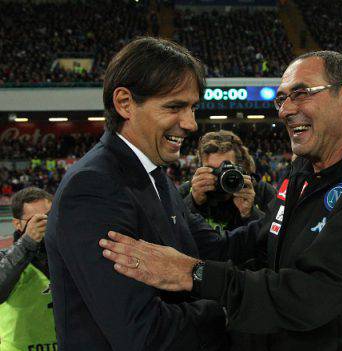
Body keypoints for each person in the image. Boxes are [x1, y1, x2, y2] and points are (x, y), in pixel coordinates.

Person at [100, 50, 342, 350]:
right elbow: (249, 244)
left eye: (301, 93)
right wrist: (169, 200)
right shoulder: (301, 172)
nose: (286, 109)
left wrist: (193, 273)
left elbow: (313, 294)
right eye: (282, 98)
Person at [45, 37, 227, 351]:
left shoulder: (152, 174)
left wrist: (282, 224)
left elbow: (211, 248)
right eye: (175, 106)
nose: (191, 123)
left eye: (193, 107)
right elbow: (142, 333)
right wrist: (228, 311)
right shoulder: (93, 187)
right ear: (125, 103)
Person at [178, 130, 276, 232]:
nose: (220, 177)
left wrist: (250, 213)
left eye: (226, 169)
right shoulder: (187, 191)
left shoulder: (263, 192)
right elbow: (174, 234)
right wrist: (193, 203)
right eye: (212, 170)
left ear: (240, 166)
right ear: (201, 168)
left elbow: (274, 240)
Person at [0, 187, 55, 351]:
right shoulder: (5, 258)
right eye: (36, 220)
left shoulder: (67, 256)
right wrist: (27, 243)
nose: (45, 224)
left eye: (50, 217)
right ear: (17, 223)